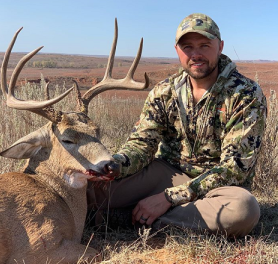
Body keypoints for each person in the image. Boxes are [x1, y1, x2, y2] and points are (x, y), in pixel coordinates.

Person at [87, 13, 267, 238]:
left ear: (220, 47)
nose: (196, 54)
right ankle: (148, 214)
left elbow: (234, 168)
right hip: (167, 174)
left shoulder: (246, 94)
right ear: (177, 50)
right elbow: (141, 144)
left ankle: (132, 218)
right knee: (90, 187)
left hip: (218, 189)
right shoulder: (165, 91)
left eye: (204, 45)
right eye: (187, 47)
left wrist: (168, 198)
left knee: (244, 210)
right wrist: (115, 165)